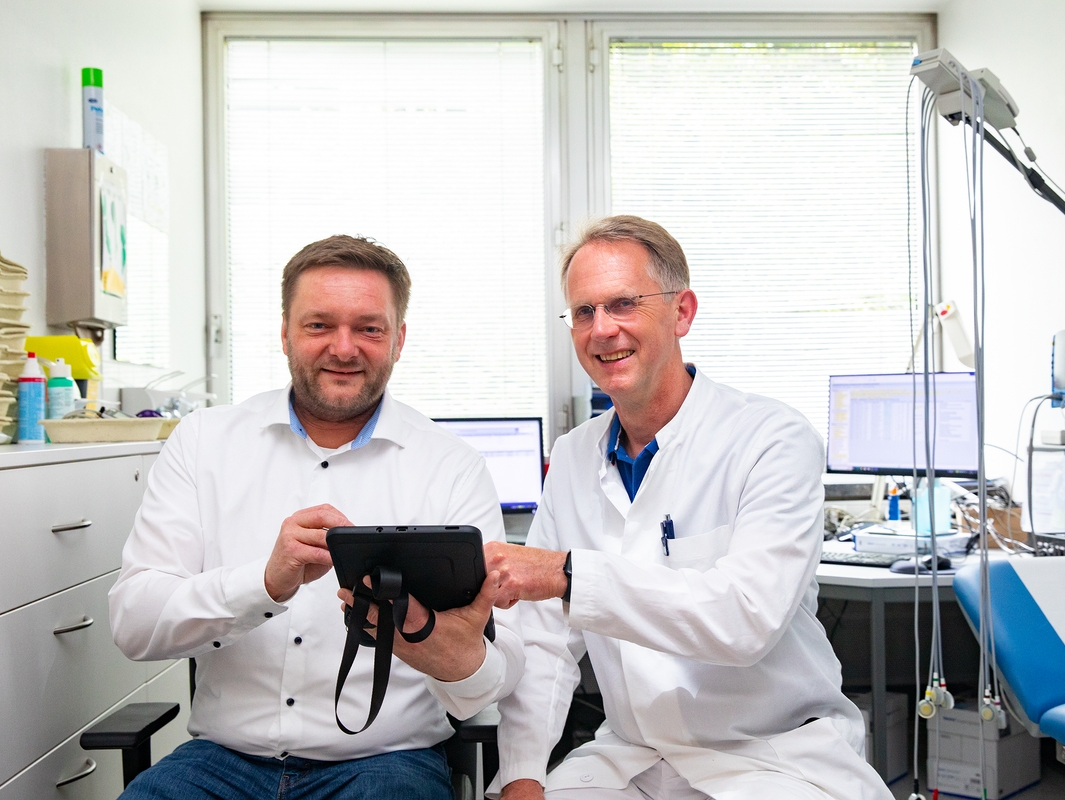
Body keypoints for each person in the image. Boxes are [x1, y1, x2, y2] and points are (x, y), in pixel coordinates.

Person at [484, 216, 890, 800]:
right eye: (583, 312)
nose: (602, 330)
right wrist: (522, 774)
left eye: (623, 304)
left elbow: (744, 619)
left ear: (682, 312)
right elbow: (546, 642)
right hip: (633, 756)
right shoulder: (572, 458)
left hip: (771, 757)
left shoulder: (771, 439)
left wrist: (566, 573)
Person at [109, 235, 523, 800]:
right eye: (319, 325)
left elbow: (498, 674)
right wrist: (262, 583)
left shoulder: (452, 467)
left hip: (384, 763)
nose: (344, 348)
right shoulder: (203, 443)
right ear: (284, 333)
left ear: (399, 339)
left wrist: (450, 652)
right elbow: (133, 625)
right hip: (221, 761)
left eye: (370, 329)